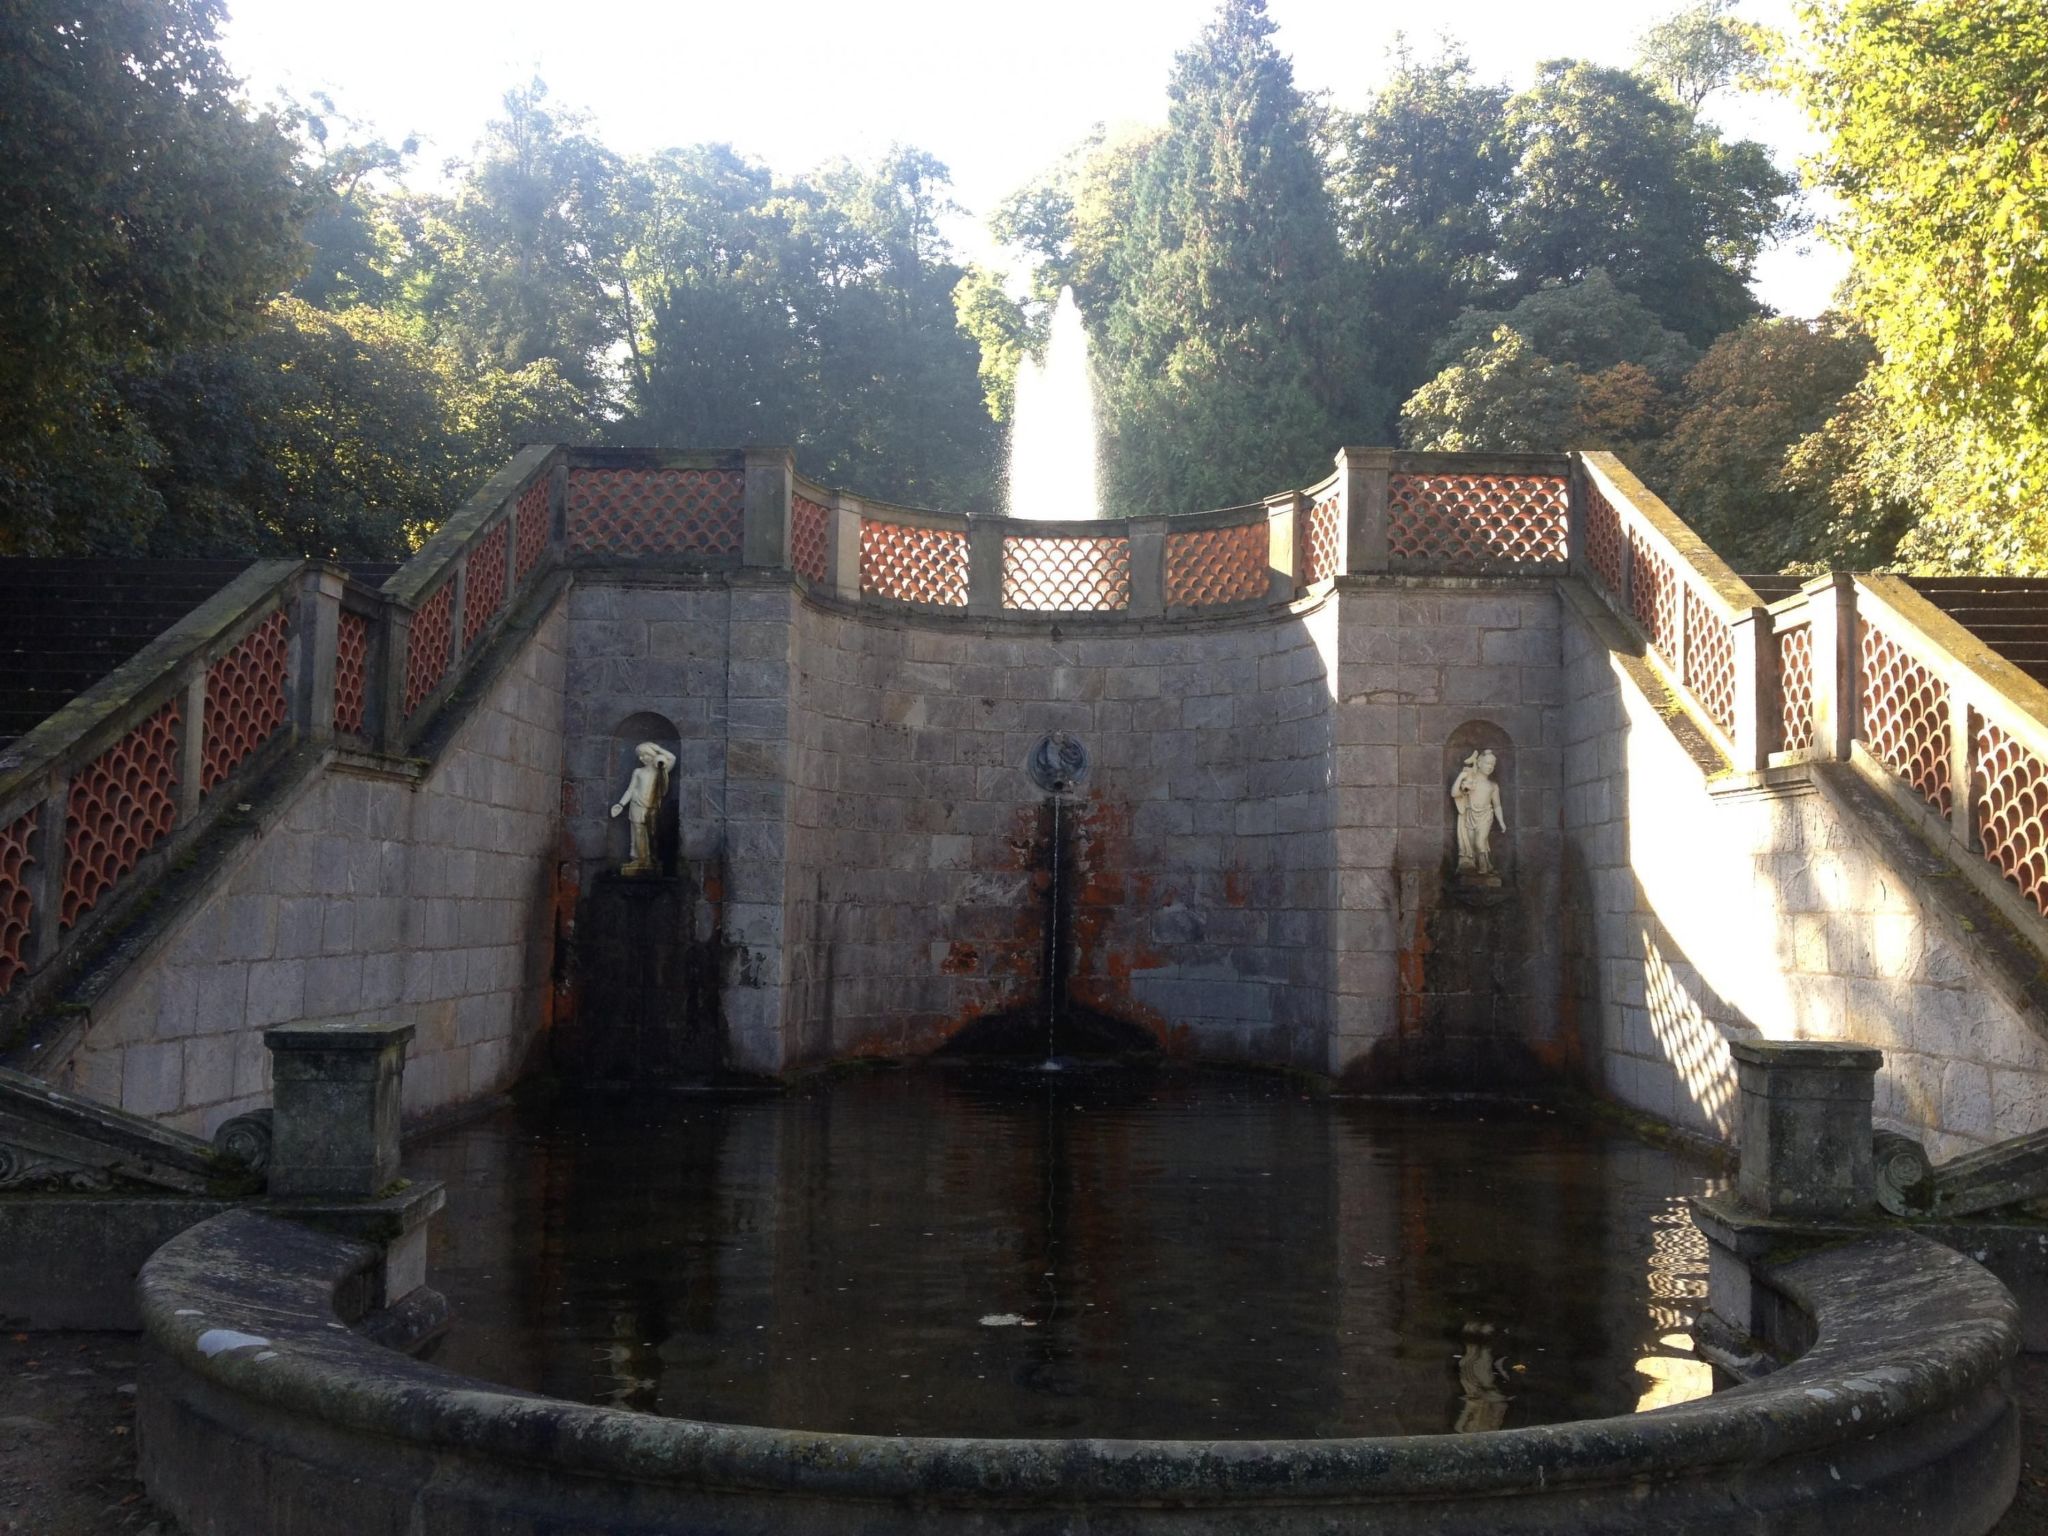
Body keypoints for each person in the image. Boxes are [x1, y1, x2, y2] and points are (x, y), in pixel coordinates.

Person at [610, 741, 677, 875]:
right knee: (637, 832)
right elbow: (630, 789)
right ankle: (639, 859)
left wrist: (657, 748)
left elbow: (672, 758)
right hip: (636, 804)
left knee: (651, 832)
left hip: (651, 806)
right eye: (640, 756)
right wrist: (621, 804)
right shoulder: (638, 772)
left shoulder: (661, 769)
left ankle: (650, 859)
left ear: (651, 755)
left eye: (644, 755)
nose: (641, 759)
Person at [1450, 748, 1506, 877]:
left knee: (1479, 842)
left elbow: (1497, 805)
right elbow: (1454, 793)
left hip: (1486, 815)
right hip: (1470, 816)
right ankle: (1484, 866)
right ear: (1479, 763)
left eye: (1492, 764)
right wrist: (1461, 776)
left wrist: (1501, 822)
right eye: (1487, 763)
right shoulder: (1470, 780)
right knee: (1472, 847)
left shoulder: (1493, 785)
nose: (1490, 767)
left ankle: (1484, 870)